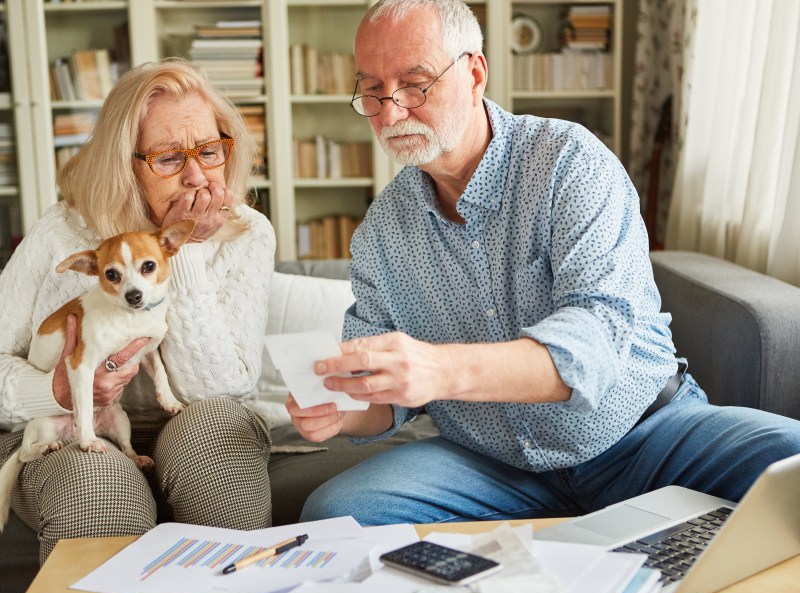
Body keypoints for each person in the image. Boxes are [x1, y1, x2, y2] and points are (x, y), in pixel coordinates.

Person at [290, 0, 800, 525]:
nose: (391, 112)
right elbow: (385, 402)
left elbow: (592, 346)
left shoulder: (569, 163)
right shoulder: (381, 233)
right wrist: (343, 410)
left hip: (645, 437)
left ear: (474, 73)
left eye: (415, 84)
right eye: (372, 91)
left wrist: (439, 370)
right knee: (337, 514)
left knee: (794, 461)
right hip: (493, 467)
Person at [0, 58, 275, 561]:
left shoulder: (248, 233)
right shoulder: (61, 233)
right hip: (64, 426)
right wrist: (52, 391)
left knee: (217, 452)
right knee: (98, 488)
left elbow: (220, 390)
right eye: (169, 159)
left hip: (193, 418)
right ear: (124, 163)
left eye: (209, 151)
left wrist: (180, 249)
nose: (196, 176)